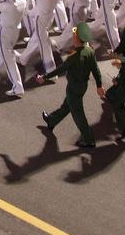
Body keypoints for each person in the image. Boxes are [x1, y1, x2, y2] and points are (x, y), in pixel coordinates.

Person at [38, 21, 103, 149]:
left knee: (78, 115)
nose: (73, 37)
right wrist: (99, 85)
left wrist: (44, 77)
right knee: (67, 105)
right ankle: (52, 120)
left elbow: (60, 69)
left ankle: (89, 140)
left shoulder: (74, 56)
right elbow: (96, 70)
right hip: (82, 86)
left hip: (74, 87)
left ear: (77, 39)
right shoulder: (90, 51)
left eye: (74, 35)